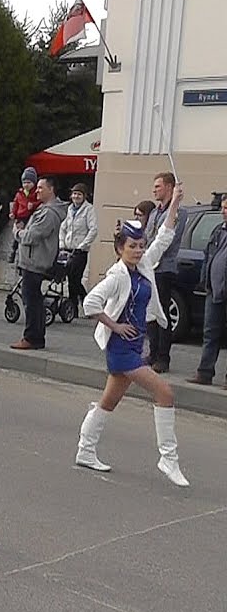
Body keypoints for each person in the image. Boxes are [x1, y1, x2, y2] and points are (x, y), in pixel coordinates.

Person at [76, 185, 189, 487]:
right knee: (165, 393)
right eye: (132, 246)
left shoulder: (145, 265)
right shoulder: (117, 276)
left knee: (108, 402)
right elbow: (90, 304)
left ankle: (85, 451)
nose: (138, 250)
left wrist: (175, 201)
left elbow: (164, 236)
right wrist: (114, 325)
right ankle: (168, 458)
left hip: (136, 343)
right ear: (119, 249)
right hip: (121, 347)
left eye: (140, 245)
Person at [10, 177, 67, 351]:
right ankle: (36, 337)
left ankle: (32, 337)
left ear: (51, 189)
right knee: (34, 300)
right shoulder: (44, 209)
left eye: (41, 188)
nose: (37, 191)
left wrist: (17, 232)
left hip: (35, 262)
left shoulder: (49, 213)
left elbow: (31, 236)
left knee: (31, 301)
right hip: (33, 260)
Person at [143, 172, 188, 373]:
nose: (154, 190)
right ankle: (152, 352)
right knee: (150, 312)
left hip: (163, 268)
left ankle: (163, 357)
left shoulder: (178, 212)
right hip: (149, 266)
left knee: (162, 313)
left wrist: (175, 202)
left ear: (170, 187)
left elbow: (167, 238)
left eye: (158, 186)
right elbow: (147, 236)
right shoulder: (153, 213)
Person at [189, 196, 227, 387]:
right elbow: (207, 256)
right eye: (223, 208)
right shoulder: (218, 231)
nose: (224, 211)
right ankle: (204, 373)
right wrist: (204, 280)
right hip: (214, 289)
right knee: (210, 332)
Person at [59, 183, 99, 314]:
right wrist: (61, 242)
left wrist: (83, 245)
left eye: (79, 194)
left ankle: (86, 302)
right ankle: (73, 307)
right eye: (74, 194)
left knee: (75, 280)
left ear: (84, 196)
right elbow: (63, 227)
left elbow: (93, 230)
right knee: (71, 279)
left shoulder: (89, 210)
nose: (76, 196)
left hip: (80, 251)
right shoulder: (70, 209)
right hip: (68, 249)